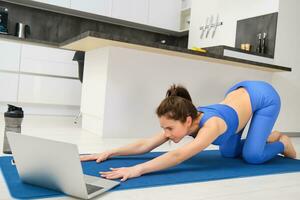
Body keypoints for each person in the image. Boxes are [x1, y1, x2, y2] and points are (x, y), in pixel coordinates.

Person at [80, 80, 297, 182]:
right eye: (163, 128)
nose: (166, 133)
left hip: (264, 97)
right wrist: (109, 152)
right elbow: (145, 144)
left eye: (169, 128)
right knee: (228, 152)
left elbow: (178, 155)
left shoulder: (211, 126)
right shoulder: (186, 116)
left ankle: (281, 141)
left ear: (188, 120)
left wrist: (137, 169)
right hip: (238, 93)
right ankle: (262, 139)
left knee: (252, 156)